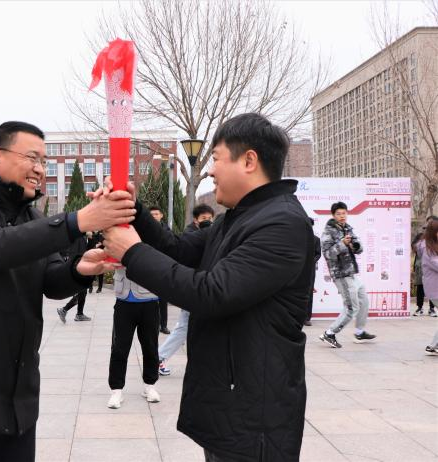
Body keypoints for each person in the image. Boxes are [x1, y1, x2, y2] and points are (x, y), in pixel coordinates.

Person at [103, 113, 315, 461]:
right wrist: (134, 208)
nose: (211, 171)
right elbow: (177, 249)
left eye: (216, 158)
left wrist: (131, 252)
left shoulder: (281, 224)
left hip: (255, 414)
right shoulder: (237, 218)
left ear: (249, 161)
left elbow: (211, 293)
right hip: (230, 402)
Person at [0, 121, 133, 462]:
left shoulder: (30, 214)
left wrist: (79, 269)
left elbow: (50, 280)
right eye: (32, 158)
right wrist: (79, 220)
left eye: (44, 161)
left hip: (18, 388)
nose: (39, 169)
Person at [157, 209, 214, 376]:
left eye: (210, 218)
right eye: (204, 218)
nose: (207, 221)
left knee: (191, 327)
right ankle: (159, 357)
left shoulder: (208, 234)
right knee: (184, 327)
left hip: (200, 287)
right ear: (196, 220)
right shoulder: (191, 236)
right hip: (194, 288)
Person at [319, 202, 376, 348]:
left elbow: (359, 249)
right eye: (338, 214)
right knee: (351, 308)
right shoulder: (328, 232)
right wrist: (342, 244)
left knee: (364, 301)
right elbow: (328, 254)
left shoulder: (348, 228)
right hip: (341, 273)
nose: (342, 216)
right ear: (333, 215)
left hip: (352, 272)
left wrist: (354, 245)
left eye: (344, 213)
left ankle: (359, 332)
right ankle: (330, 333)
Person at [107, 269, 161, 408]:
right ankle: (116, 390)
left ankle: (150, 385)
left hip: (149, 299)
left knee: (150, 346)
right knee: (119, 348)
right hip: (123, 300)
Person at [58, 233, 94, 322]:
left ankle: (79, 314)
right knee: (82, 291)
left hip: (80, 266)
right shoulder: (79, 238)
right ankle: (65, 310)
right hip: (78, 267)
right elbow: (75, 254)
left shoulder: (83, 238)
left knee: (82, 292)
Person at [148, 206, 171, 334]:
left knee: (163, 298)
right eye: (151, 214)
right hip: (150, 266)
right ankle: (154, 324)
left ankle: (164, 325)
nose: (154, 216)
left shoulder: (167, 230)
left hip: (163, 267)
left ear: (161, 215)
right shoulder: (145, 230)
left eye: (156, 214)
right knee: (151, 299)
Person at [416, 219, 438, 355]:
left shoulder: (432, 245)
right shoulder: (427, 249)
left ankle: (433, 345)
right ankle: (433, 345)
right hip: (435, 289)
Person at [412, 216, 437, 316]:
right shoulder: (422, 240)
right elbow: (414, 246)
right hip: (421, 268)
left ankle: (432, 309)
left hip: (431, 274)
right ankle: (420, 307)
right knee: (420, 288)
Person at [304, 219, 322, 326]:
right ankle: (296, 317)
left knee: (309, 293)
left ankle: (307, 318)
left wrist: (310, 261)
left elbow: (318, 254)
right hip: (297, 270)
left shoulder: (316, 239)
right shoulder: (298, 239)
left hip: (310, 270)